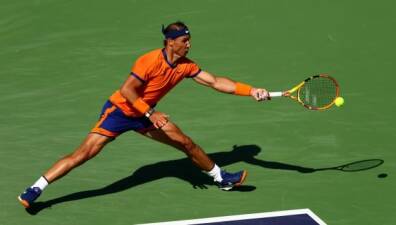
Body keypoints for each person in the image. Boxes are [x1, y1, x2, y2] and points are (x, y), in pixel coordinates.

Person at [18, 21, 270, 208]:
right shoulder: (148, 61)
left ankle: (221, 178)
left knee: (185, 143)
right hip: (120, 110)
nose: (189, 44)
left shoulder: (186, 66)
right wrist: (151, 112)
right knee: (82, 154)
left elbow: (215, 82)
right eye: (185, 41)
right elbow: (127, 91)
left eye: (189, 40)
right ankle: (35, 189)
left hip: (146, 116)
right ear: (171, 42)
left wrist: (251, 91)